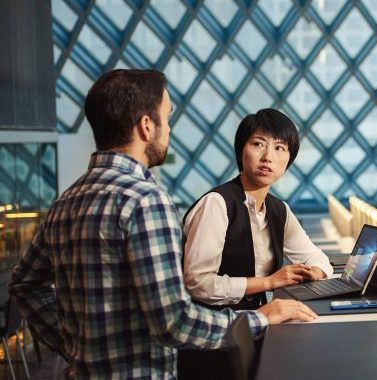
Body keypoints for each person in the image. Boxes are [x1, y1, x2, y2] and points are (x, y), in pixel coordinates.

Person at [8, 69, 317, 379]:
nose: (168, 130)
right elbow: (174, 321)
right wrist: (261, 318)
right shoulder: (145, 201)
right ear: (146, 126)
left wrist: (74, 345)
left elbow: (25, 285)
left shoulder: (66, 201)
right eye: (166, 118)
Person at [177, 109, 333, 377]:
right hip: (213, 341)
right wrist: (270, 282)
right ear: (241, 152)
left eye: (280, 148)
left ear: (289, 159)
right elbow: (198, 283)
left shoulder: (278, 209)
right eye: (258, 144)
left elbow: (317, 258)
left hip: (257, 330)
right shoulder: (216, 204)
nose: (268, 157)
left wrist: (316, 271)